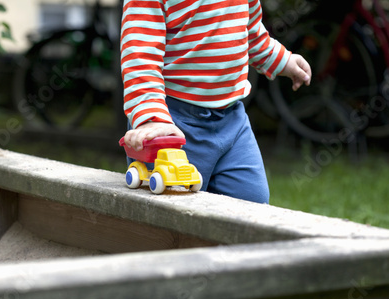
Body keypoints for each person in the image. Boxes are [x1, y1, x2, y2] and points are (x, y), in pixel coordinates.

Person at [120, 0, 312, 203]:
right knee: (173, 210)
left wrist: (282, 60)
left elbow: (249, 31)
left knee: (252, 203)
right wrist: (152, 117)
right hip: (172, 124)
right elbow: (140, 55)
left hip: (232, 121)